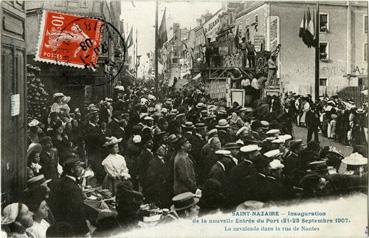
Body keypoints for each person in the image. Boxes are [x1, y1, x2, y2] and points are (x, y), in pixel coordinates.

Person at [47, 157, 91, 237]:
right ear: (72, 170)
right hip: (73, 228)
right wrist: (85, 231)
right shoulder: (72, 188)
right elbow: (78, 212)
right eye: (79, 167)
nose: (81, 169)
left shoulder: (62, 181)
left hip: (63, 225)